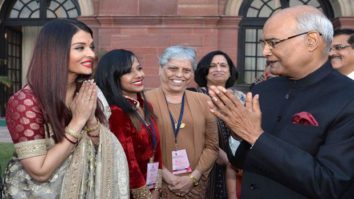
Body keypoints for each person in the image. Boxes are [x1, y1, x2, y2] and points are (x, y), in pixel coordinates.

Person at [207, 5, 354, 199]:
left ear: (311, 41)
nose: (265, 52)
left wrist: (255, 136)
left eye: (273, 42)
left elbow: (330, 183)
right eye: (264, 44)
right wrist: (238, 134)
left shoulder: (348, 97)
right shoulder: (262, 90)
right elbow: (240, 161)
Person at [2, 19, 129, 199]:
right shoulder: (26, 102)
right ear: (54, 52)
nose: (91, 54)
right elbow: (40, 172)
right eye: (80, 48)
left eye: (91, 47)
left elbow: (103, 149)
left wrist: (92, 120)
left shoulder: (89, 91)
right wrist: (78, 121)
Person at [145, 46, 219, 199]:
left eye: (186, 70)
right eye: (173, 68)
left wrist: (193, 178)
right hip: (157, 187)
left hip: (196, 188)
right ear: (160, 69)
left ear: (192, 73)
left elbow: (212, 146)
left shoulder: (204, 101)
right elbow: (141, 149)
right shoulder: (144, 102)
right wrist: (169, 178)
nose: (179, 75)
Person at [95, 49, 163, 199]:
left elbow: (156, 150)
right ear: (113, 77)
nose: (139, 75)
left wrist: (157, 189)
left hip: (152, 189)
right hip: (128, 192)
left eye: (139, 68)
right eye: (128, 71)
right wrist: (145, 195)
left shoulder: (146, 106)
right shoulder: (117, 113)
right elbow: (128, 161)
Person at [187, 50, 245, 199]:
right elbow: (190, 132)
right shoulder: (192, 96)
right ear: (204, 71)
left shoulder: (241, 98)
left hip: (236, 167)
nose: (218, 69)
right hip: (201, 166)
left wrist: (235, 162)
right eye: (212, 66)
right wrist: (225, 159)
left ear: (230, 71)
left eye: (223, 65)